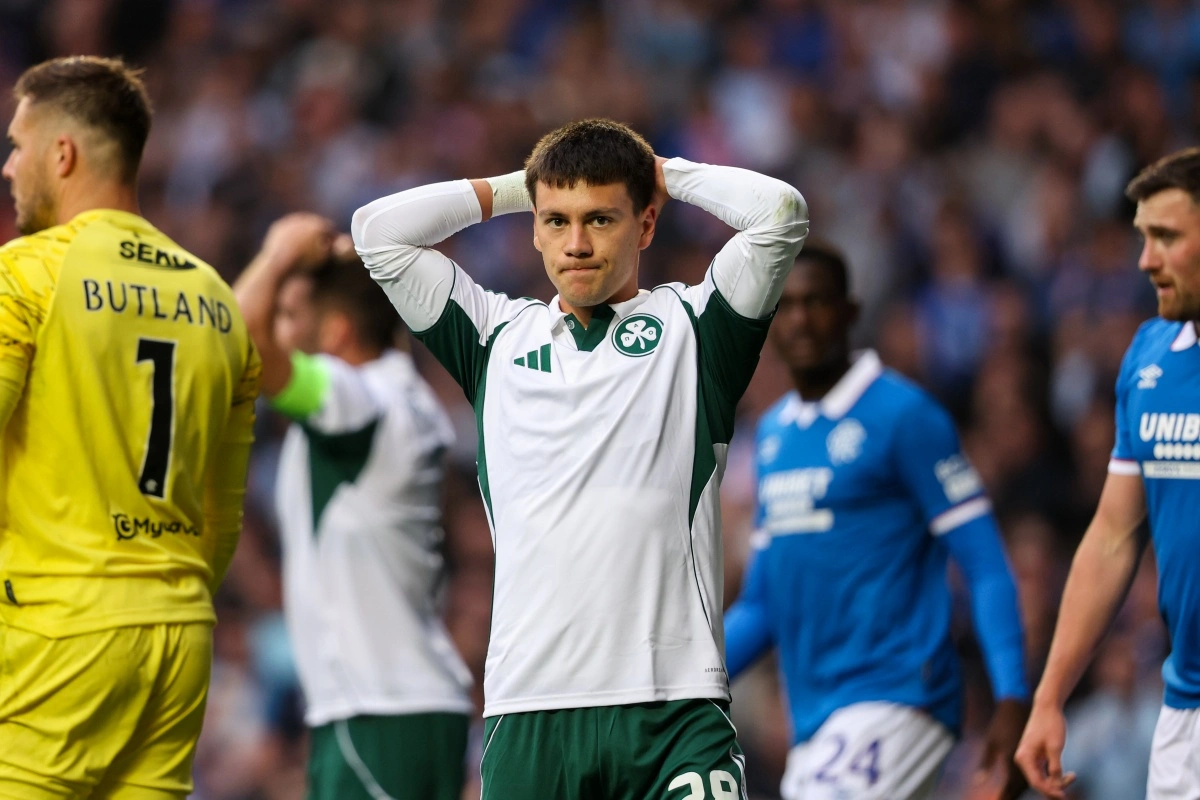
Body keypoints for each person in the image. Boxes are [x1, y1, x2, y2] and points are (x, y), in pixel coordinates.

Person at [352, 118, 808, 799]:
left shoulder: (697, 331)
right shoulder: (493, 339)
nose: (577, 243)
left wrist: (663, 173)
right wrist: (522, 187)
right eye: (556, 221)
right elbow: (376, 232)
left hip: (673, 711)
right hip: (530, 715)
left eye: (600, 218)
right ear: (535, 231)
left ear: (645, 225)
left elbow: (780, 214)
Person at [0, 56, 260, 799]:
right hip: (179, 638)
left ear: (62, 153)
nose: (9, 167)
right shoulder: (217, 300)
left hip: (57, 631)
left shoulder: (27, 275)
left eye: (17, 145)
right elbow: (221, 521)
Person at [724, 241, 1030, 800]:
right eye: (786, 306)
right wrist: (687, 683)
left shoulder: (903, 415)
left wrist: (1012, 699)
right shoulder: (773, 436)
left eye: (817, 302)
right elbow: (762, 605)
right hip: (816, 717)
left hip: (900, 693)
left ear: (850, 313)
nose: (800, 319)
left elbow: (985, 564)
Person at [233, 213, 472, 800]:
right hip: (410, 703)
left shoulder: (354, 401)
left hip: (375, 711)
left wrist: (277, 251)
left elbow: (238, 341)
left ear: (336, 332)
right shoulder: (407, 397)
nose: (279, 329)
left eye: (290, 316)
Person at [1016, 148, 1200, 799]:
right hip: (1185, 712)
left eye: (1167, 238)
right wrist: (1050, 696)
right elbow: (1113, 536)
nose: (1145, 260)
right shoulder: (1150, 356)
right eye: (1143, 238)